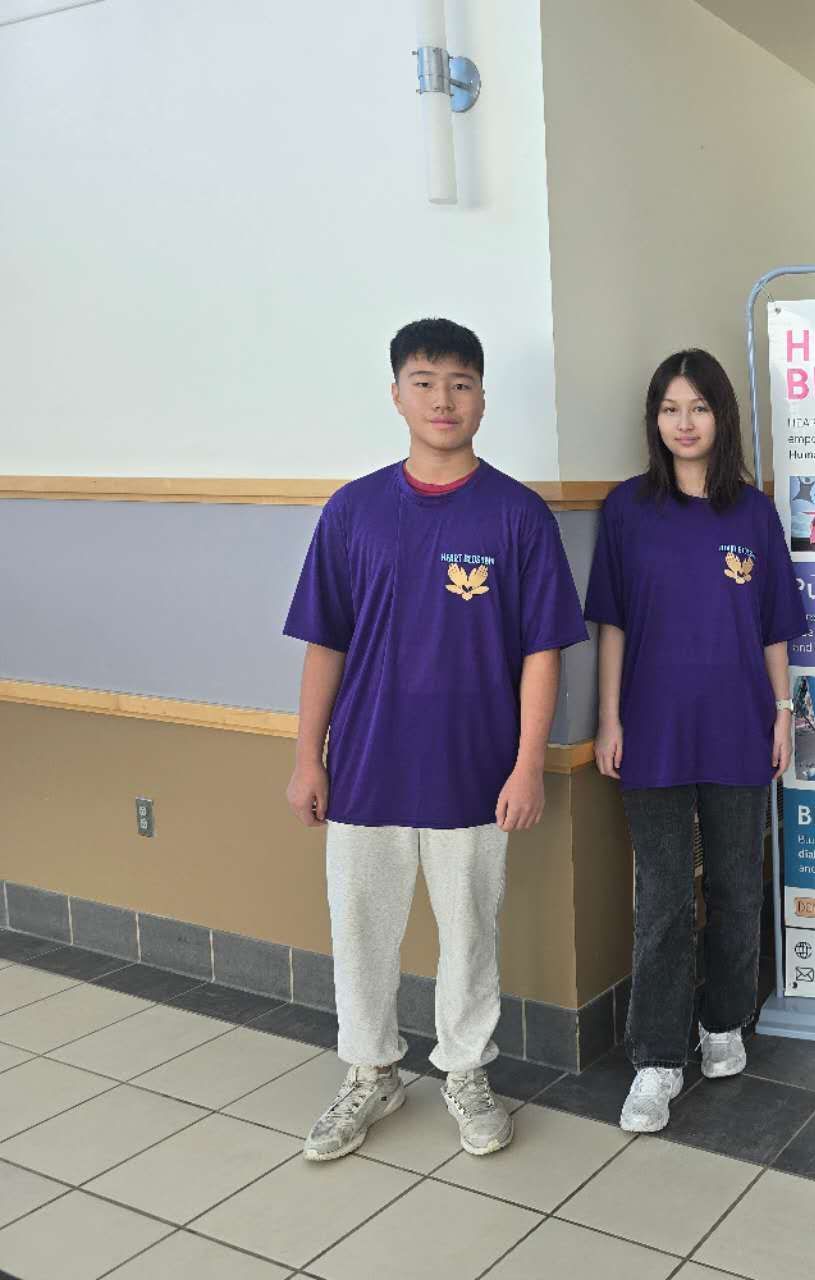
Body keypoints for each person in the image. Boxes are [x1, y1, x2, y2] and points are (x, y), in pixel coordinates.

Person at [283, 318, 588, 1163]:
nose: (443, 399)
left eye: (460, 382)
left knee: (469, 932)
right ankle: (370, 1071)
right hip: (367, 767)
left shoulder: (518, 516)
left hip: (476, 769)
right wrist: (309, 757)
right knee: (362, 926)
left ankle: (464, 1071)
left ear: (483, 397)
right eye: (424, 382)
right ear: (396, 395)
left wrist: (528, 765)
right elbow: (325, 644)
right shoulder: (353, 510)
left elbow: (541, 653)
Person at [585, 348, 809, 1134]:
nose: (684, 423)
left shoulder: (751, 512)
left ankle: (723, 1023)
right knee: (666, 899)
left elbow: (776, 626)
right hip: (650, 730)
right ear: (655, 420)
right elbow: (610, 624)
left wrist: (782, 712)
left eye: (699, 407)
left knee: (738, 886)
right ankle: (655, 1057)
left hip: (740, 727)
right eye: (670, 408)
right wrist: (609, 719)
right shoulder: (626, 510)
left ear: (723, 417)